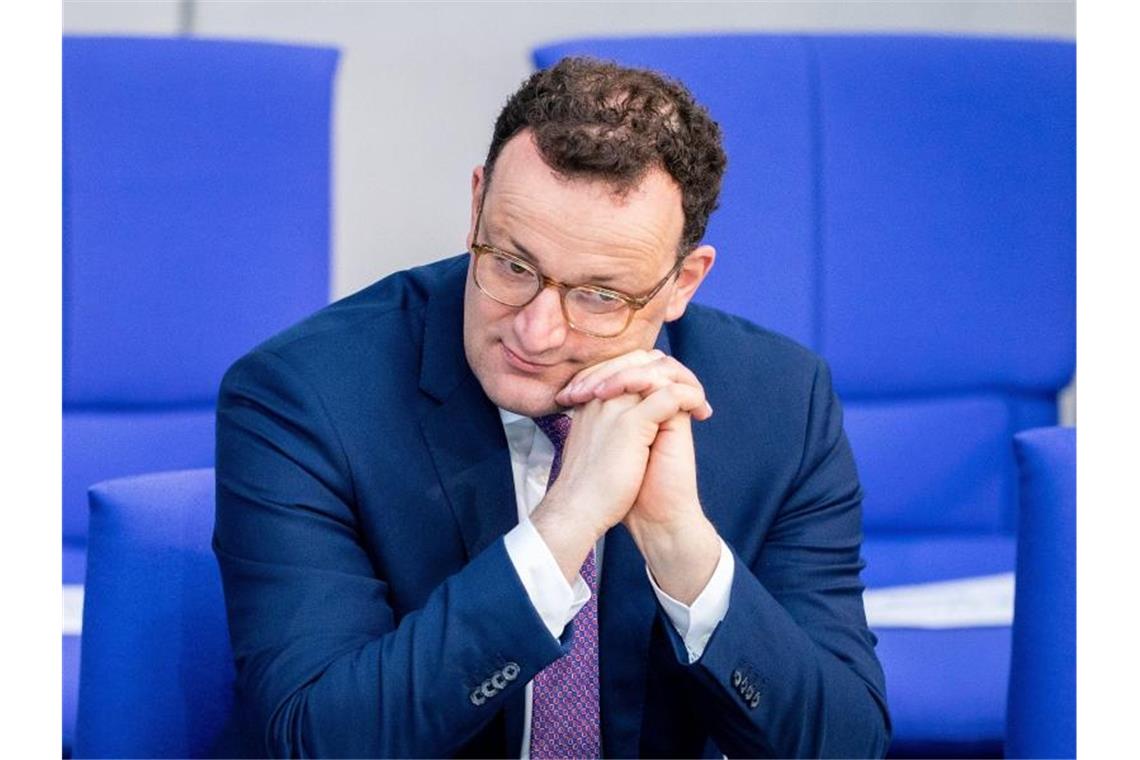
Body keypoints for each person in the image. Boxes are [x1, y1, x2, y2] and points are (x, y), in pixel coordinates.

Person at [214, 57, 890, 758]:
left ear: (683, 283)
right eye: (512, 264)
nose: (536, 331)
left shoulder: (779, 403)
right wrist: (563, 527)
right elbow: (319, 741)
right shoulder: (305, 397)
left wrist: (683, 549)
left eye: (599, 295)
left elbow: (847, 745)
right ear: (477, 205)